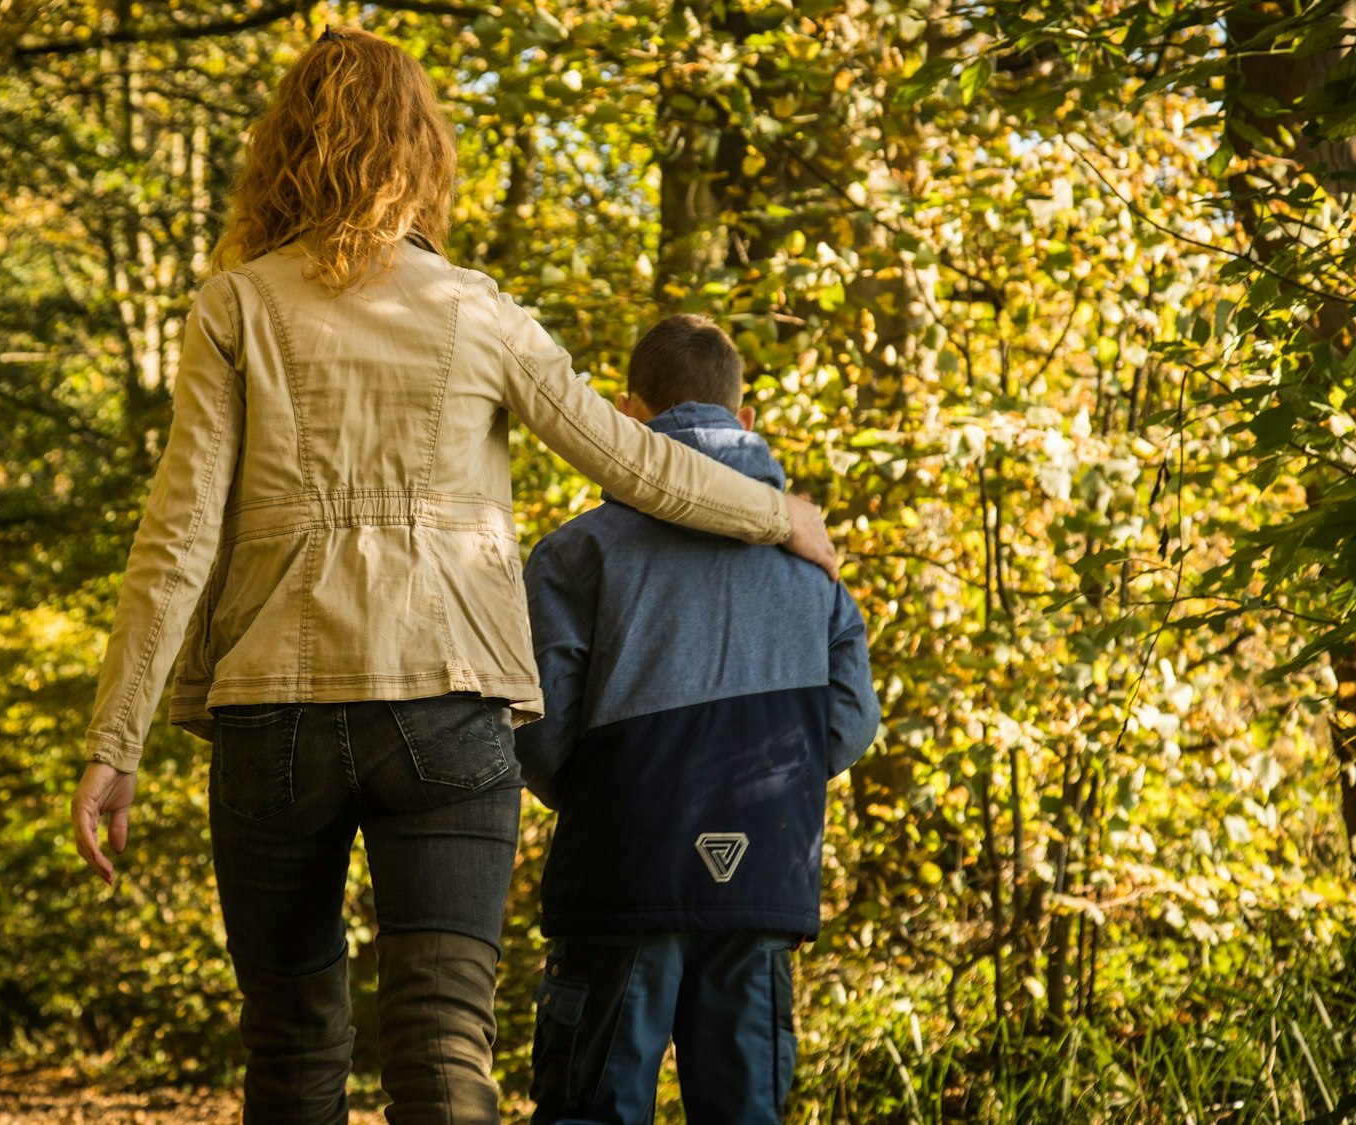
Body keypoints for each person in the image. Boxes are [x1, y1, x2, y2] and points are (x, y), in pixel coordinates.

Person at [65, 29, 839, 1125]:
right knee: (440, 1045)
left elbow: (177, 538)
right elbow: (628, 459)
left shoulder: (234, 306)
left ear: (283, 153)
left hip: (272, 714)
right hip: (448, 709)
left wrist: (116, 742)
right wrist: (776, 513)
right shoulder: (479, 312)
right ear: (422, 154)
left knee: (291, 1039)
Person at [516, 314, 880, 1125]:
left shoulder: (578, 552)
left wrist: (614, 792)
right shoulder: (812, 561)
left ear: (628, 414)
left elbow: (538, 727)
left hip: (621, 871)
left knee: (593, 1111)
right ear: (744, 418)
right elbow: (851, 719)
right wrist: (770, 782)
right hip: (763, 877)